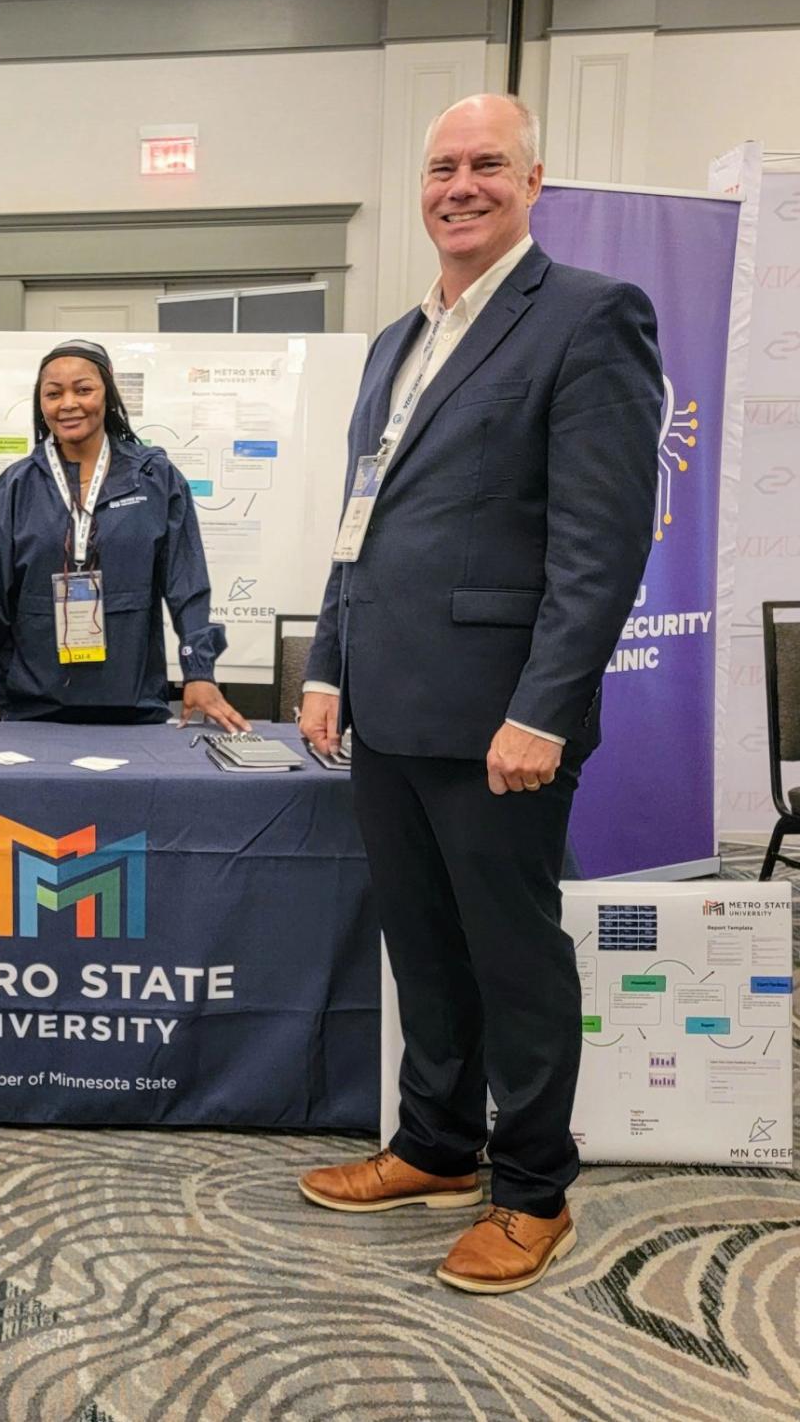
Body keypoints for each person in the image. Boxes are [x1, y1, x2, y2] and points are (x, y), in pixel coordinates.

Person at [296, 95, 661, 1294]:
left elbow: (600, 546)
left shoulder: (590, 317)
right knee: (422, 945)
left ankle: (534, 1187)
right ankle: (436, 1146)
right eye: (443, 166)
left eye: (486, 165)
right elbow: (365, 525)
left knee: (511, 955)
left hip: (502, 713)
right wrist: (326, 664)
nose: (461, 185)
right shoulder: (395, 341)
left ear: (533, 180)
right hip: (389, 708)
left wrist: (543, 711)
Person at [0, 339, 248, 731]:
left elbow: (186, 585)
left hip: (133, 705)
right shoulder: (16, 487)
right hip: (31, 708)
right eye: (53, 394)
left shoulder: (155, 479)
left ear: (108, 395)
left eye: (83, 389)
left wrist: (199, 671)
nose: (68, 403)